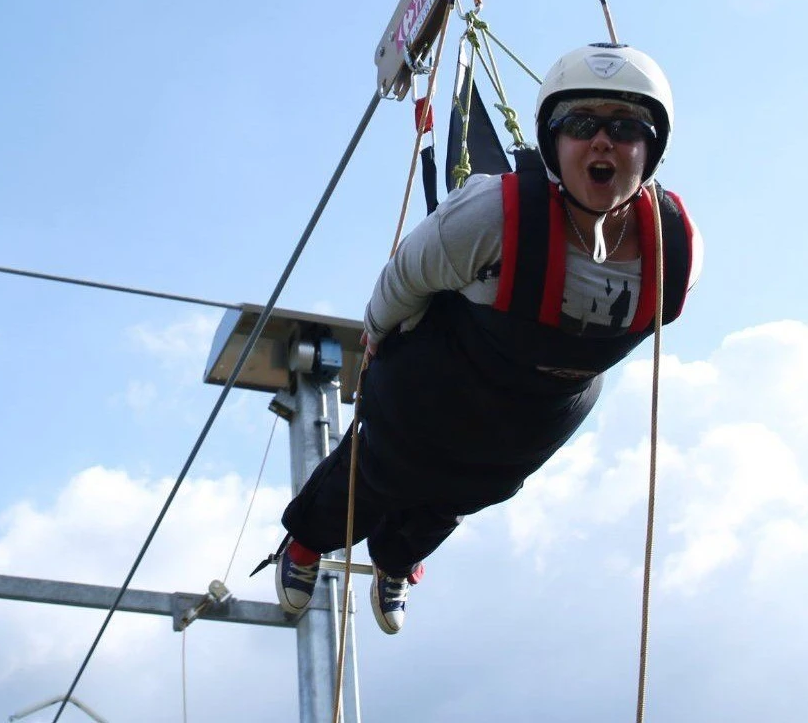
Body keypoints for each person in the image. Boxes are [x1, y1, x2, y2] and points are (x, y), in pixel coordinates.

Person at [274, 42, 701, 635]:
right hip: (444, 378)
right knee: (384, 470)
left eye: (626, 127)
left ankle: (396, 559)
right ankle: (307, 542)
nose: (603, 141)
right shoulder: (491, 215)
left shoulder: (674, 249)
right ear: (552, 140)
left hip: (540, 409)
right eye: (580, 124)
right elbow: (402, 280)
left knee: (469, 491)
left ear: (651, 148)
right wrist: (374, 343)